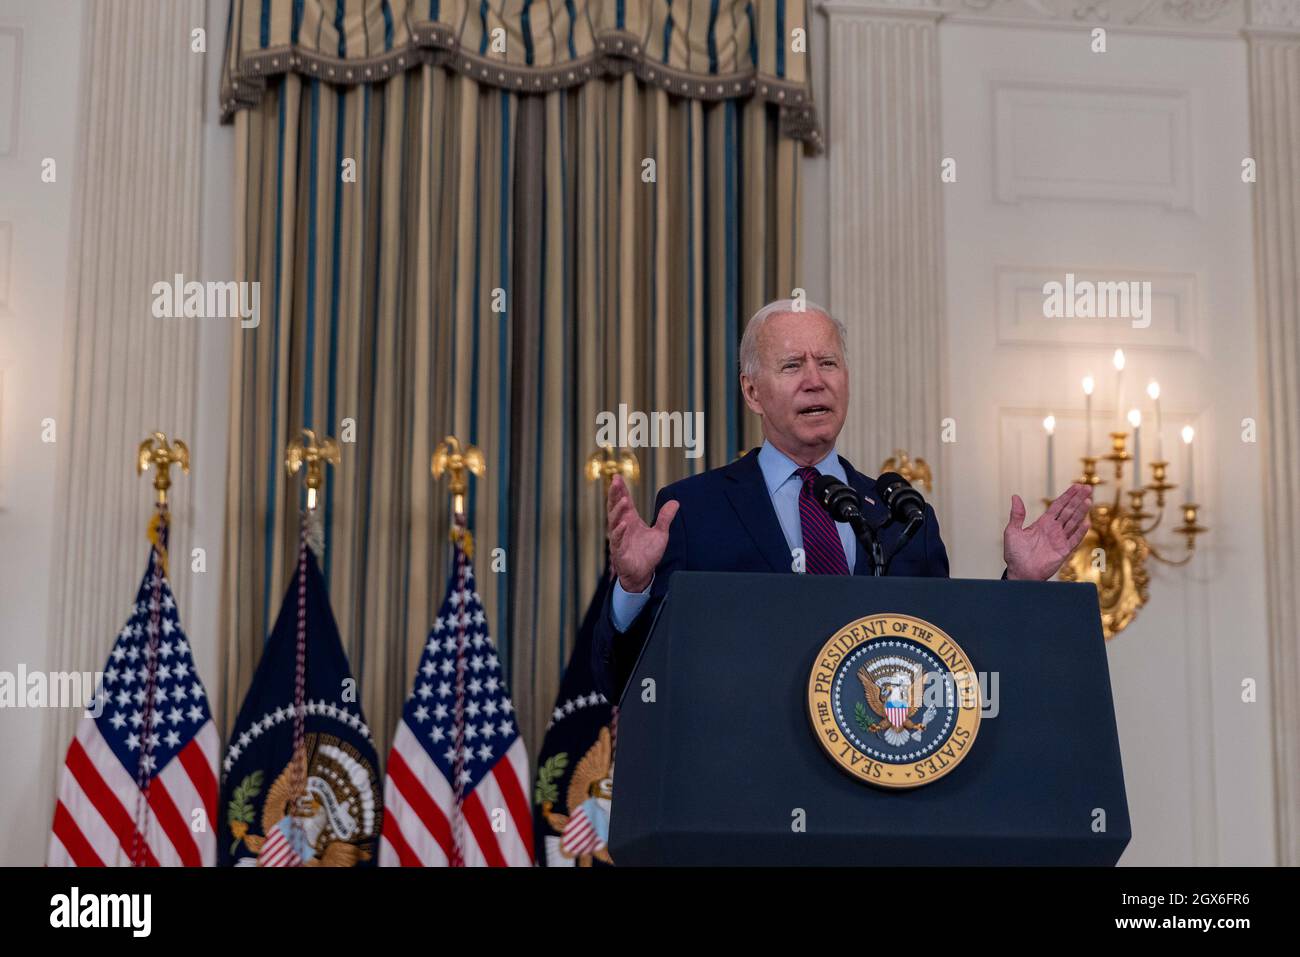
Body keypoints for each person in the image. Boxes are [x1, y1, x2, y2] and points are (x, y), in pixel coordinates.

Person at [591, 299, 1092, 700]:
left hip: (879, 795)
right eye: (792, 365)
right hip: (744, 799)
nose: (815, 379)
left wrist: (1020, 586)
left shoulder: (903, 518)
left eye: (827, 362)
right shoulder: (693, 511)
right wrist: (632, 588)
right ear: (751, 392)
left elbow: (952, 669)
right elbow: (625, 682)